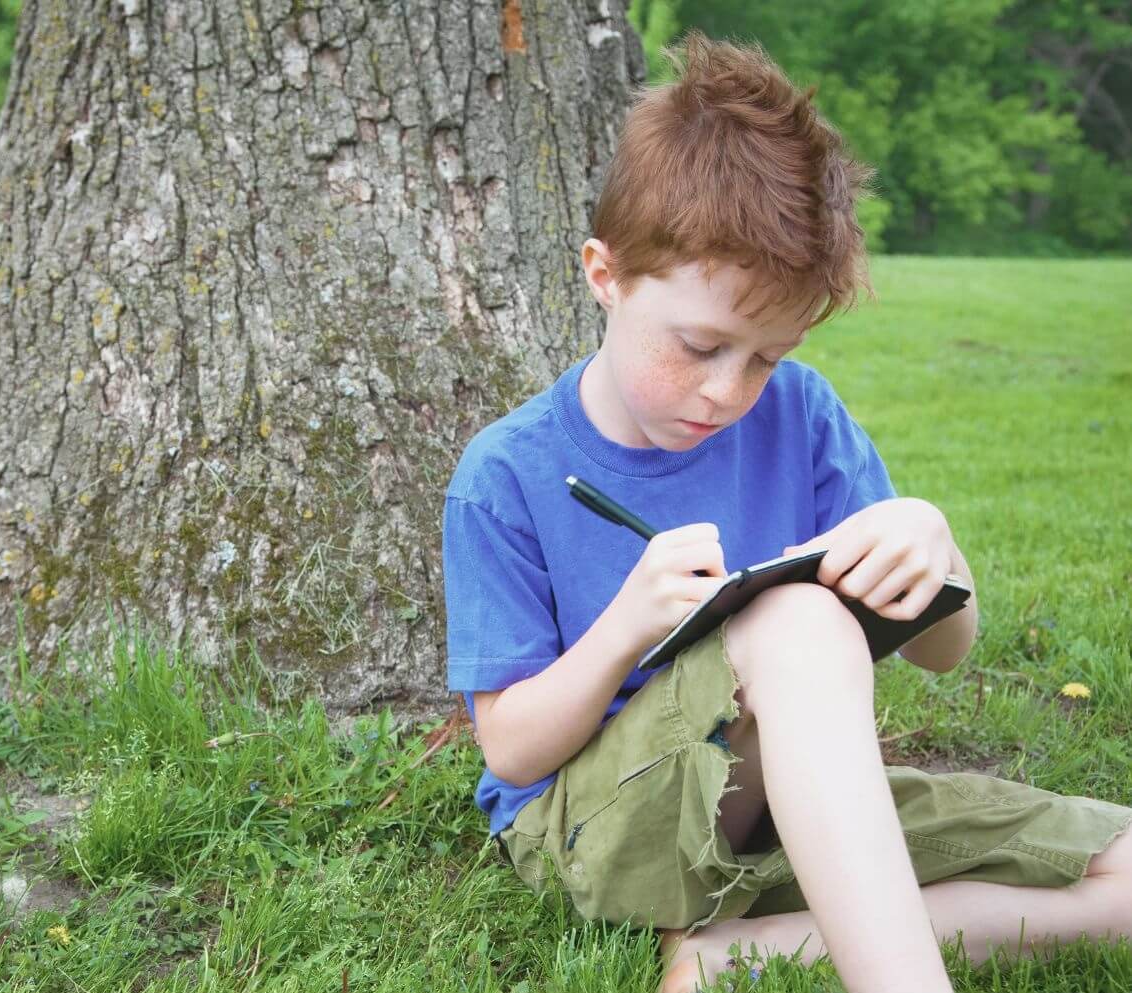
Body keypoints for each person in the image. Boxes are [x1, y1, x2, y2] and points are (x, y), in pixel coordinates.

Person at [440, 30, 1132, 993]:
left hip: (780, 797)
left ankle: (753, 952)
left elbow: (943, 648)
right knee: (799, 618)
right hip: (599, 830)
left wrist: (933, 546)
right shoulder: (506, 472)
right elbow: (510, 747)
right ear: (605, 276)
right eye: (700, 344)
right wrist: (626, 629)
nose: (729, 390)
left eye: (765, 356)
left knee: (1126, 870)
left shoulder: (801, 413)